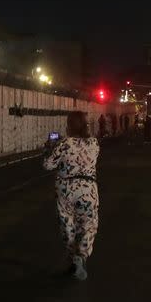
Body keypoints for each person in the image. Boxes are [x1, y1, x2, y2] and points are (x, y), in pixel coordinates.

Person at [43, 111, 100, 280]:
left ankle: (72, 257)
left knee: (67, 224)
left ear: (69, 125)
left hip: (65, 188)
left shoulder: (64, 143)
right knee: (88, 224)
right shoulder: (94, 143)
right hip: (88, 188)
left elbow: (47, 165)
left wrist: (49, 147)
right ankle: (80, 256)